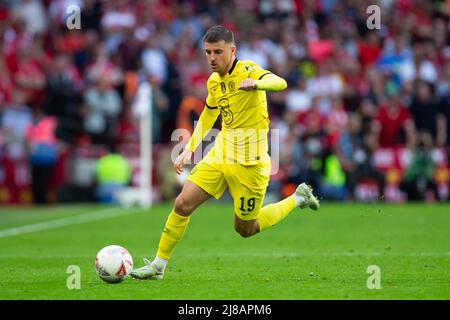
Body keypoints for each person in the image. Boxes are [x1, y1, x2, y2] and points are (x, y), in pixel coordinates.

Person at [131, 25, 319, 280]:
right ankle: (158, 266)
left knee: (245, 228)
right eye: (208, 52)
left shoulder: (249, 70)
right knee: (182, 203)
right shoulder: (213, 81)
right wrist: (188, 150)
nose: (211, 58)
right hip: (221, 154)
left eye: (217, 52)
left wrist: (258, 84)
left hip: (250, 165)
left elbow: (281, 82)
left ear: (232, 50)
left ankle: (297, 198)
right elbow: (210, 112)